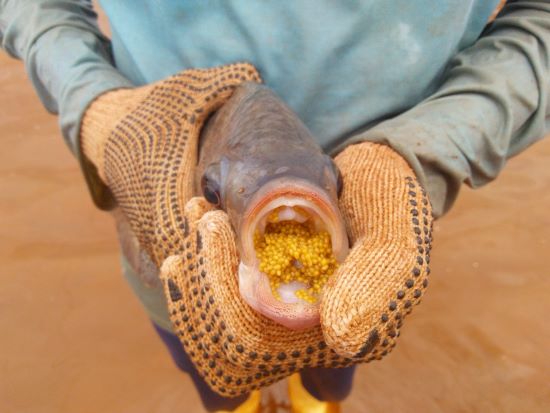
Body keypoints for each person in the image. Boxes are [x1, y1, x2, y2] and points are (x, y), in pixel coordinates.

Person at [1, 1, 548, 412]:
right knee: (211, 373)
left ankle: (318, 401)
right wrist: (94, 103)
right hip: (161, 213)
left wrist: (429, 149)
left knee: (339, 355)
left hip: (370, 234)